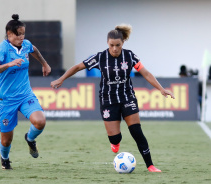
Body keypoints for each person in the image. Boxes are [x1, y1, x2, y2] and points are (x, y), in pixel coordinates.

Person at [50, 24, 175, 172]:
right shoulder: (99, 57)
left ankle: (150, 165)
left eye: (118, 45)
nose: (115, 48)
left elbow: (146, 73)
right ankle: (115, 142)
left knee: (137, 132)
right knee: (115, 139)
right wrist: (61, 79)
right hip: (108, 100)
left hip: (127, 97)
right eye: (112, 45)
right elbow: (78, 67)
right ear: (107, 43)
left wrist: (161, 89)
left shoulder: (130, 56)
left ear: (123, 43)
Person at [0, 14, 51, 170]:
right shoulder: (3, 48)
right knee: (6, 141)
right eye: (18, 34)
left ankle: (30, 139)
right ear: (9, 34)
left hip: (25, 95)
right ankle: (5, 158)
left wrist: (44, 64)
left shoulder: (26, 45)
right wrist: (9, 64)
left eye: (23, 33)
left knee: (40, 121)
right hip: (6, 100)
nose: (22, 37)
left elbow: (34, 50)